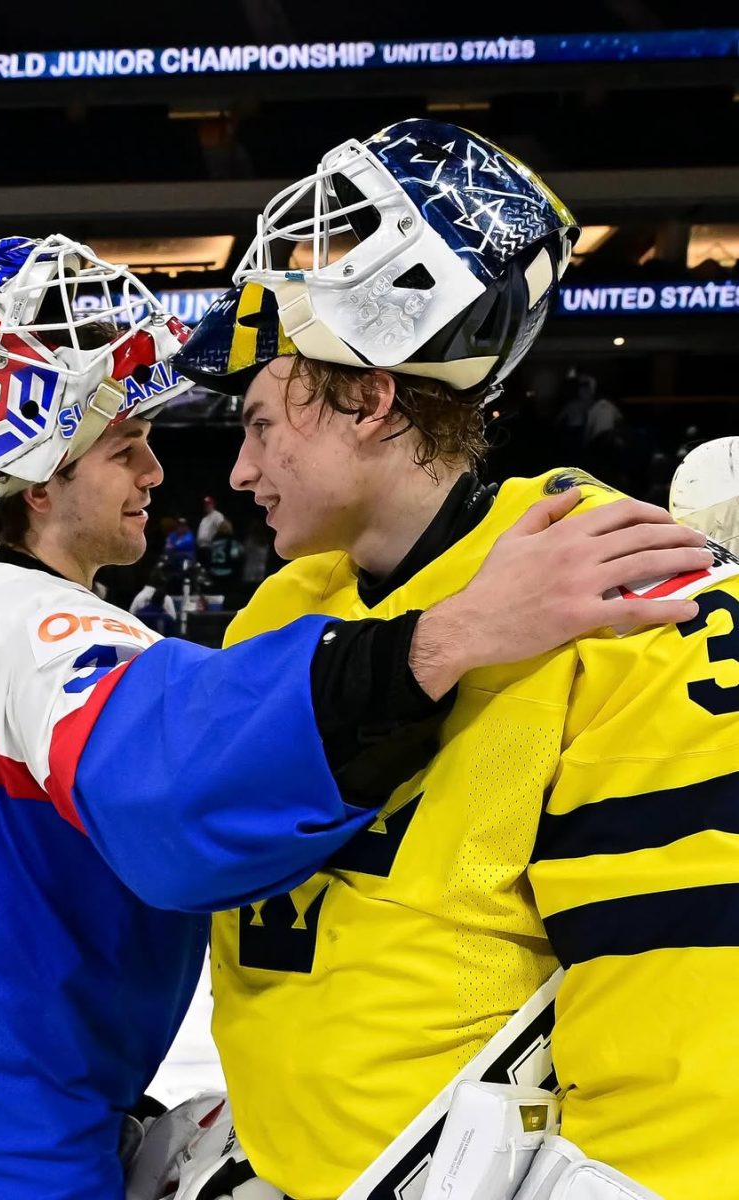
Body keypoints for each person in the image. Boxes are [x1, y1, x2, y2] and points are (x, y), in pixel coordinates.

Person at [0, 234, 706, 1200]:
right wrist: (451, 633)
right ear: (40, 477)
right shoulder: (44, 632)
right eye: (125, 447)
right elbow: (186, 789)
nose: (161, 472)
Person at [173, 118, 734, 1200]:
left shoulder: (623, 586)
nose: (238, 472)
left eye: (256, 425)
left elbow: (693, 973)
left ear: (368, 397)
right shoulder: (282, 606)